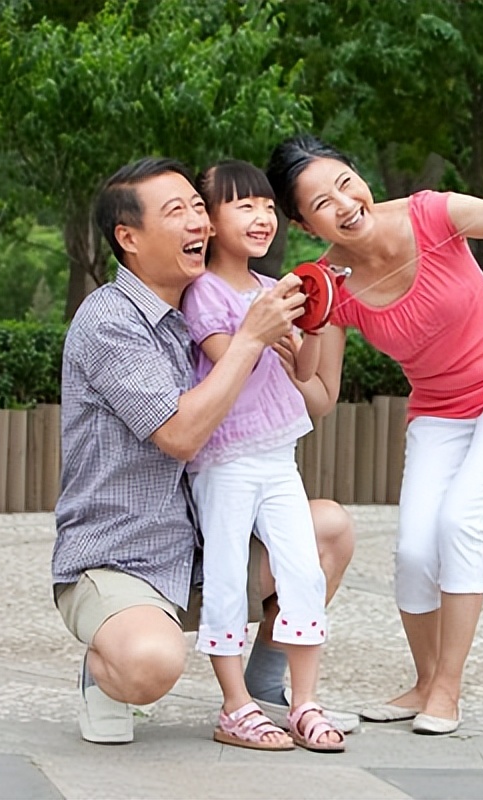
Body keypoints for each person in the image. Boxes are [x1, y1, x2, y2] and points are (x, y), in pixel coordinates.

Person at [266, 135, 483, 735]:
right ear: (305, 224)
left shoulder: (431, 212)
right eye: (321, 203)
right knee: (413, 549)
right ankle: (424, 680)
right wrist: (279, 359)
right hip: (439, 407)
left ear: (359, 175)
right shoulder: (327, 284)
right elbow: (322, 397)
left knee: (459, 522)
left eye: (344, 182)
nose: (344, 203)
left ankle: (448, 691)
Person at [51, 156, 355, 745]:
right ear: (129, 238)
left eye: (198, 207)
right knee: (149, 664)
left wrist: (310, 326)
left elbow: (305, 394)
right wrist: (251, 338)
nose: (199, 223)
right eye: (177, 212)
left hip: (202, 549)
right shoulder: (110, 321)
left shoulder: (211, 301)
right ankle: (103, 670)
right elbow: (181, 434)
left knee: (329, 531)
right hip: (123, 561)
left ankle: (266, 689)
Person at [179, 159, 343, 752]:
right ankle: (234, 706)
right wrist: (267, 324)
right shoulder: (204, 293)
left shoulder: (268, 289)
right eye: (243, 205)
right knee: (226, 577)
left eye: (269, 206)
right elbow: (231, 356)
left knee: (304, 570)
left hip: (279, 456)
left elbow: (300, 369)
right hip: (224, 459)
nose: (262, 216)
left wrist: (316, 320)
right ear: (211, 220)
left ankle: (304, 703)